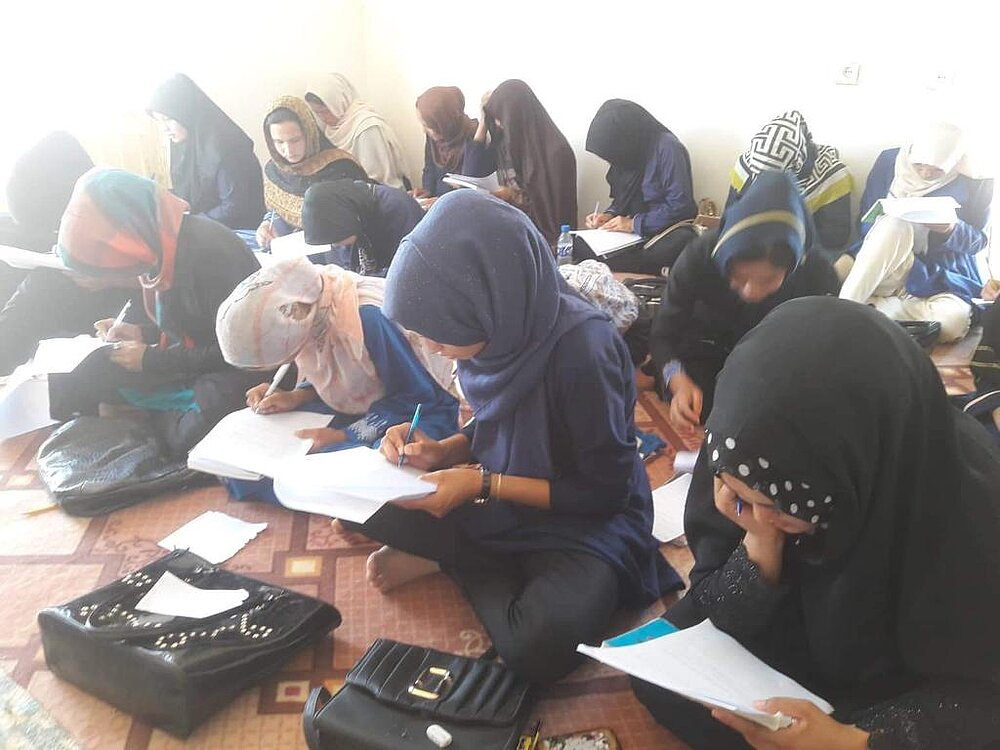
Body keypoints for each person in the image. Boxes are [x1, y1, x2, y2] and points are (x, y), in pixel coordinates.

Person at [330, 190, 681, 684]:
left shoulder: (584, 350)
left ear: (489, 300)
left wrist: (480, 484)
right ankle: (480, 553)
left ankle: (456, 558)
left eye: (441, 333)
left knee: (538, 645)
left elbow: (603, 492)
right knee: (358, 503)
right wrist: (442, 450)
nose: (433, 347)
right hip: (504, 486)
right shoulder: (504, 328)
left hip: (586, 515)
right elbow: (499, 421)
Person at [632, 297, 1000, 749]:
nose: (754, 514)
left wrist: (848, 742)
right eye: (741, 498)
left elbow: (985, 698)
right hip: (798, 629)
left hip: (900, 682)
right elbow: (714, 603)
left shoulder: (968, 505)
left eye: (782, 509)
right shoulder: (747, 447)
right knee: (663, 678)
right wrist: (760, 543)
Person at [214, 256, 458, 503]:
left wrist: (345, 436)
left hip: (418, 410)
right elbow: (338, 375)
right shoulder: (306, 314)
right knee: (245, 470)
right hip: (357, 404)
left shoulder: (365, 320)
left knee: (387, 463)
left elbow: (418, 396)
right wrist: (296, 396)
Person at [52, 168, 261, 454]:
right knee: (79, 373)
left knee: (207, 414)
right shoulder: (160, 248)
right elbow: (189, 326)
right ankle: (155, 419)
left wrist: (150, 359)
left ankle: (150, 419)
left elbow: (234, 352)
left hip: (237, 366)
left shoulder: (210, 255)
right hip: (188, 359)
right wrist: (140, 333)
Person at [650, 171, 839, 434]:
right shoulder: (700, 256)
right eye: (739, 277)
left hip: (774, 365)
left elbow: (820, 353)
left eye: (769, 280)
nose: (751, 292)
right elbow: (663, 335)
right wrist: (678, 382)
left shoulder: (817, 274)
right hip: (707, 351)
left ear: (791, 269)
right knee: (704, 406)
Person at [839, 121, 992, 342]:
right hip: (886, 260)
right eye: (919, 164)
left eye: (937, 169)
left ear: (956, 162)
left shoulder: (976, 179)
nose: (926, 173)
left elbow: (979, 241)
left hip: (939, 273)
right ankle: (847, 311)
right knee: (894, 225)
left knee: (952, 323)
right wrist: (891, 219)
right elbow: (864, 220)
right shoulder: (890, 161)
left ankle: (874, 309)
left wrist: (951, 229)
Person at [0, 132, 136, 375]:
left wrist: (112, 279)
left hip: (123, 303)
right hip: (89, 289)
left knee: (41, 288)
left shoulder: (128, 211)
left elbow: (170, 271)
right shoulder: (81, 194)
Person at [581, 99, 698, 273]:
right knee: (579, 246)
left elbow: (681, 207)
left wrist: (634, 224)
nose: (612, 160)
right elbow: (623, 199)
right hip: (630, 236)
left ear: (626, 136)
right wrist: (608, 215)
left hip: (661, 232)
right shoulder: (627, 153)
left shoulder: (668, 148)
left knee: (681, 242)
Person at [463, 80, 577, 246]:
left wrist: (512, 196)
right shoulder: (504, 143)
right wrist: (483, 121)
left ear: (515, 114)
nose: (497, 124)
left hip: (541, 241)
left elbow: (553, 219)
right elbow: (470, 175)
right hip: (507, 228)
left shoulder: (555, 153)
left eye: (500, 117)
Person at [147, 73, 265, 231]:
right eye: (159, 121)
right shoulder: (186, 144)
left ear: (185, 112)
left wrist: (189, 222)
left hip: (240, 232)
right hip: (208, 228)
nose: (164, 128)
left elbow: (233, 207)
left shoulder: (226, 147)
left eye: (168, 119)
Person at [728, 110, 853, 256]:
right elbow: (729, 219)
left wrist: (788, 228)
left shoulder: (832, 176)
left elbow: (835, 240)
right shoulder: (745, 167)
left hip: (807, 252)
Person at [255, 96, 369, 249]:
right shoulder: (275, 171)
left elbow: (364, 222)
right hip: (290, 253)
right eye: (279, 142)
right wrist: (267, 225)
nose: (288, 150)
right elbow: (277, 213)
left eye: (295, 140)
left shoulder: (341, 168)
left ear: (309, 133)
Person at [304, 73, 409, 190]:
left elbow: (378, 179)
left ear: (339, 103)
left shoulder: (367, 127)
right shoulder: (332, 129)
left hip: (377, 193)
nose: (322, 118)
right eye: (317, 113)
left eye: (325, 111)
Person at [301, 180, 424, 276]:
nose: (336, 245)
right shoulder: (350, 214)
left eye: (335, 240)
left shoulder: (397, 208)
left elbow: (412, 267)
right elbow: (344, 266)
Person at [414, 86, 478, 200]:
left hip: (462, 204)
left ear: (443, 122)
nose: (424, 130)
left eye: (427, 126)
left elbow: (470, 187)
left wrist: (440, 201)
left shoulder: (475, 137)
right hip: (438, 203)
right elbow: (429, 167)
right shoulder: (434, 137)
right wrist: (426, 191)